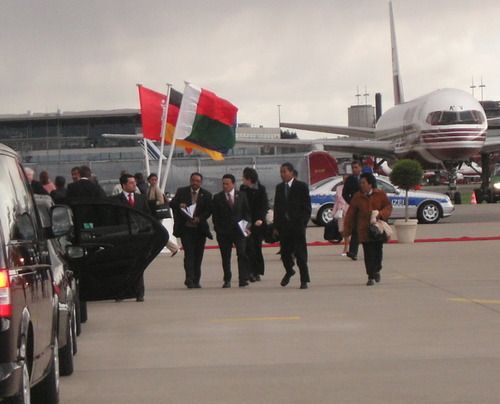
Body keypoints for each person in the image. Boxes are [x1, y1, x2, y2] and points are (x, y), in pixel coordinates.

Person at [344, 173, 392, 286]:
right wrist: (347, 230)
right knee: (368, 253)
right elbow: (351, 214)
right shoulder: (357, 197)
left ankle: (377, 269)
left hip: (377, 229)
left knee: (377, 252)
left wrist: (381, 214)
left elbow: (388, 207)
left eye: (363, 183)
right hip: (364, 229)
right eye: (360, 183)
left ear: (370, 184)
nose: (361, 185)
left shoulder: (380, 194)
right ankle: (370, 276)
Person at [111, 173, 151, 301]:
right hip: (122, 238)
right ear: (123, 185)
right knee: (122, 266)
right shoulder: (116, 200)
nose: (134, 185)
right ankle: (121, 293)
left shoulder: (141, 199)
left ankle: (139, 292)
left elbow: (148, 216)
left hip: (139, 237)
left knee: (139, 265)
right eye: (131, 183)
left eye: (135, 182)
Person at [170, 173, 212, 289]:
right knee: (189, 254)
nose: (195, 183)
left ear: (201, 182)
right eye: (193, 180)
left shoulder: (206, 195)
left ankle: (196, 279)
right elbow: (172, 204)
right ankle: (189, 278)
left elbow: (208, 211)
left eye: (197, 181)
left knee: (198, 256)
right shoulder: (181, 191)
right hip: (186, 229)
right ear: (190, 180)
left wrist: (199, 218)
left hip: (200, 230)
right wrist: (180, 205)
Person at [273, 162, 311, 289]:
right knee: (285, 253)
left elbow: (307, 207)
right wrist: (276, 225)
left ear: (291, 172)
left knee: (300, 254)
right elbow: (277, 207)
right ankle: (289, 270)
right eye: (281, 172)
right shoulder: (279, 188)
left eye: (284, 171)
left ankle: (304, 279)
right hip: (284, 227)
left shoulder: (301, 186)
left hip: (297, 226)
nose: (282, 174)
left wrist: (303, 223)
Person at [212, 174, 251, 288]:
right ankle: (227, 279)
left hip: (239, 231)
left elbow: (247, 212)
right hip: (224, 233)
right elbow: (215, 216)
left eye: (227, 184)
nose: (225, 186)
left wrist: (247, 226)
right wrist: (218, 229)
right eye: (223, 183)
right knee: (225, 257)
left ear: (233, 184)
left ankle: (243, 279)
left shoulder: (242, 195)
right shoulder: (218, 197)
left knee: (242, 254)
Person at [240, 167, 269, 281]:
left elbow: (264, 205)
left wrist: (260, 219)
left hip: (258, 223)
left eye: (244, 177)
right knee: (247, 248)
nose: (242, 179)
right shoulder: (243, 189)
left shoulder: (261, 189)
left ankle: (256, 271)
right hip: (246, 223)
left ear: (249, 179)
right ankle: (249, 272)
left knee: (256, 248)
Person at [147, 173, 179, 257]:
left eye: (155, 180)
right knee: (156, 233)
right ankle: (173, 248)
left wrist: (152, 204)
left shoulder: (156, 189)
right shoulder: (150, 188)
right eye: (152, 179)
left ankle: (173, 248)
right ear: (149, 180)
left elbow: (160, 201)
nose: (154, 181)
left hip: (157, 214)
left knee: (157, 232)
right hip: (153, 214)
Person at [342, 160, 362, 260]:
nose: (354, 170)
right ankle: (353, 252)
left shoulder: (366, 177)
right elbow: (344, 194)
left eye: (356, 167)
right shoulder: (350, 179)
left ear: (360, 168)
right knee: (355, 230)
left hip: (367, 207)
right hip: (356, 208)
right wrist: (351, 202)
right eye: (353, 168)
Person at [332, 175, 350, 255]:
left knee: (346, 230)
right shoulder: (339, 188)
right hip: (340, 211)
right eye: (344, 179)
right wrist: (333, 212)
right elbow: (336, 201)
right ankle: (348, 243)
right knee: (341, 230)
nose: (345, 181)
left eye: (346, 179)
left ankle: (346, 247)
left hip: (349, 210)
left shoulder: (352, 188)